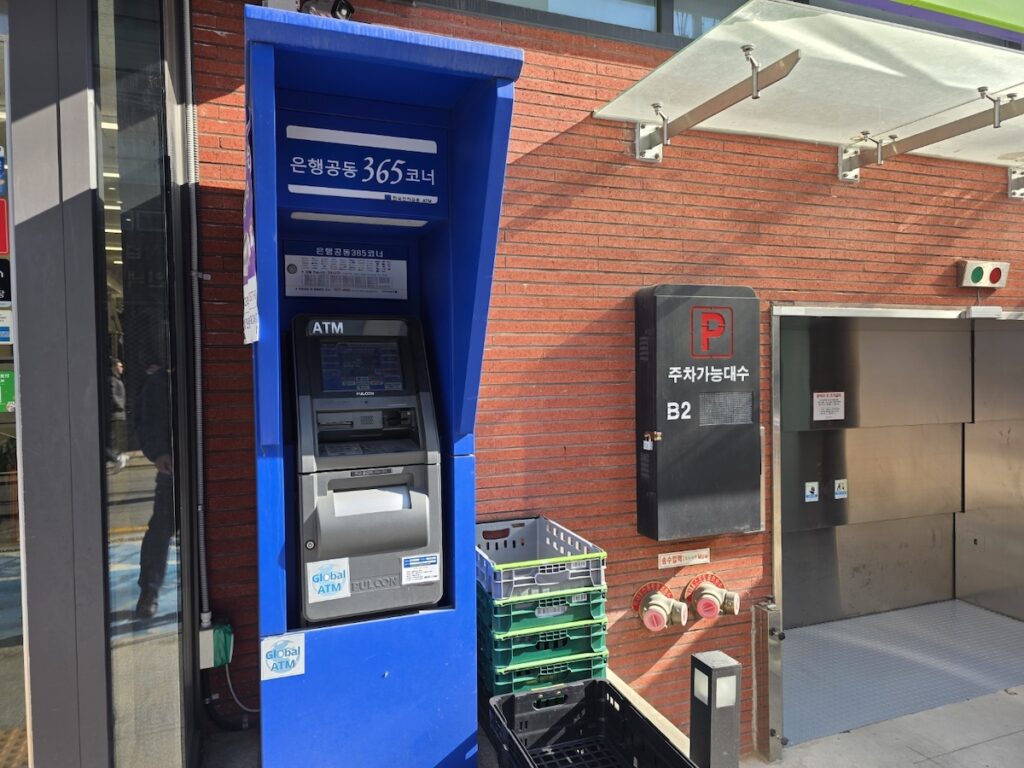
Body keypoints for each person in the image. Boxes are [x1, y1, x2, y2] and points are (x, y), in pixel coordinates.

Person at [133, 363, 176, 620]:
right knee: (160, 531)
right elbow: (146, 420)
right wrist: (159, 452)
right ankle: (148, 592)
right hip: (173, 466)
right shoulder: (161, 380)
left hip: (201, 464)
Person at [106, 359, 128, 473]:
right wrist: (119, 405)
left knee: (116, 438)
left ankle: (117, 458)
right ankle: (117, 458)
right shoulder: (113, 380)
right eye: (120, 366)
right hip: (115, 414)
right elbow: (112, 394)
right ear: (115, 367)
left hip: (119, 414)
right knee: (112, 438)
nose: (122, 368)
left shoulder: (117, 379)